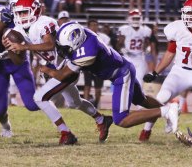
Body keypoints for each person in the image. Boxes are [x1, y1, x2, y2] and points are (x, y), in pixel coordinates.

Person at [3, 0, 113, 145]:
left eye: (24, 12)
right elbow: (19, 61)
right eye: (18, 13)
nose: (20, 16)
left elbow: (50, 45)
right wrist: (10, 49)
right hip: (53, 66)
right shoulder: (17, 30)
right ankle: (102, 119)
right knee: (75, 103)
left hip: (67, 65)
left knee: (40, 98)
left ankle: (66, 133)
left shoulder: (44, 23)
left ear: (34, 11)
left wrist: (24, 47)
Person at [39, 21, 179, 134]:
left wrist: (44, 68)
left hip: (121, 75)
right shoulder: (82, 35)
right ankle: (167, 111)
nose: (62, 50)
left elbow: (63, 75)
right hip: (124, 67)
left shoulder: (87, 53)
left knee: (121, 119)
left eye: (65, 47)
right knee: (141, 99)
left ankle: (167, 111)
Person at [138, 0, 192, 147]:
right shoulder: (176, 27)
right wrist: (155, 72)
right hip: (179, 73)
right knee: (160, 99)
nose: (189, 17)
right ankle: (146, 130)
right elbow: (170, 53)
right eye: (187, 13)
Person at [0, 0, 40, 138]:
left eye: (27, 9)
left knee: (32, 105)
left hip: (19, 62)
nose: (24, 13)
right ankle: (6, 127)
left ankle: (58, 118)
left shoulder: (33, 19)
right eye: (21, 8)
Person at [117, 9, 151, 87]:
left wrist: (147, 48)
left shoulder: (145, 30)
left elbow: (146, 43)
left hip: (140, 59)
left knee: (139, 82)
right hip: (128, 58)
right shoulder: (125, 29)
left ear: (141, 19)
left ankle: (137, 98)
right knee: (126, 81)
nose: (136, 20)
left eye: (137, 18)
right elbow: (119, 44)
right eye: (134, 18)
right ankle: (126, 98)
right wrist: (122, 49)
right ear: (130, 19)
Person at [83, 19, 108, 108]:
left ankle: (96, 105)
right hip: (88, 64)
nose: (94, 27)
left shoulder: (104, 37)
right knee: (87, 86)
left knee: (98, 88)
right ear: (88, 26)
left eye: (96, 25)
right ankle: (85, 106)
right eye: (92, 25)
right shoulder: (84, 37)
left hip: (99, 65)